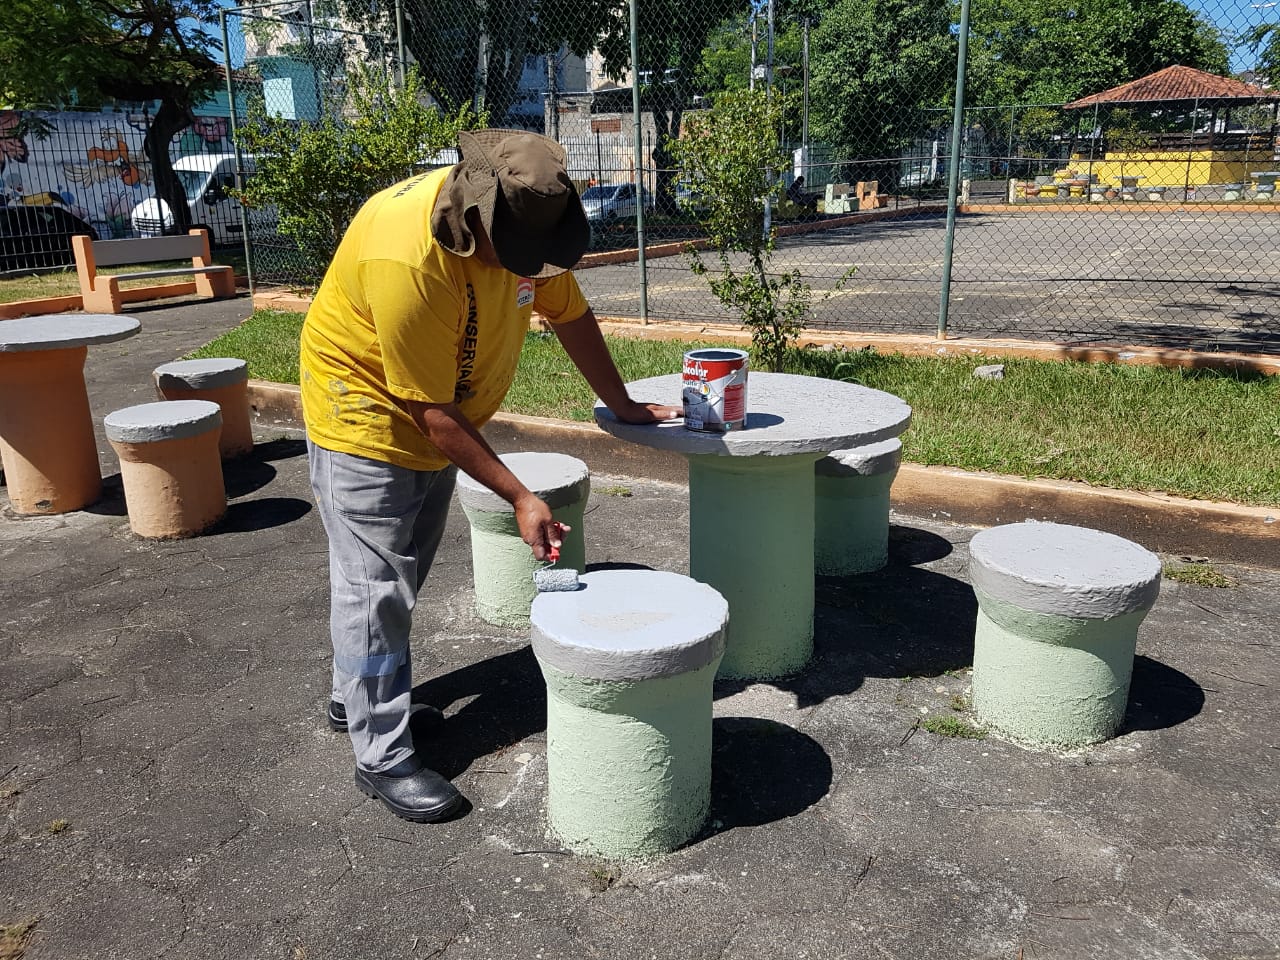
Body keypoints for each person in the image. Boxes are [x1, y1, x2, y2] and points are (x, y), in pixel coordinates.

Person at [300, 129, 682, 824]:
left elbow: (571, 316)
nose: (526, 268)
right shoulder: (407, 255)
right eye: (515, 253)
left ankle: (354, 697)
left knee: (397, 577)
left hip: (440, 418)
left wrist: (622, 402)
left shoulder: (526, 227)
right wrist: (519, 495)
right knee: (375, 590)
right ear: (476, 211)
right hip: (363, 414)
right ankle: (380, 755)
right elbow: (428, 410)